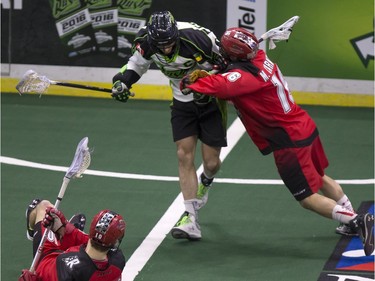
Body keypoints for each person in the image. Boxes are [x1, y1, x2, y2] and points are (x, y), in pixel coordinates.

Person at [180, 27, 374, 256]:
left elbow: (219, 86)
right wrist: (225, 67)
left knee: (306, 198)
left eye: (224, 49)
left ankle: (356, 220)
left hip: (289, 141)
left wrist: (190, 82)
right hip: (304, 126)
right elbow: (234, 73)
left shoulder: (242, 78)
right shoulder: (261, 58)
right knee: (318, 176)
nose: (221, 51)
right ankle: (350, 217)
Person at [111, 11, 228, 240]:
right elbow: (135, 66)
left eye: (169, 44)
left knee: (211, 163)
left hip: (210, 101)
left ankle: (206, 181)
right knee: (184, 155)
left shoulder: (199, 39)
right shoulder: (147, 41)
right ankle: (191, 218)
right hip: (182, 103)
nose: (165, 49)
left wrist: (204, 77)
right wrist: (121, 83)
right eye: (160, 45)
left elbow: (226, 66)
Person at [18, 198, 126, 281]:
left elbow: (41, 274)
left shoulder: (65, 266)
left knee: (43, 206)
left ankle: (35, 232)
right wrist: (63, 228)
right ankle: (65, 235)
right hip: (74, 262)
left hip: (48, 259)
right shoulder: (118, 261)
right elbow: (97, 241)